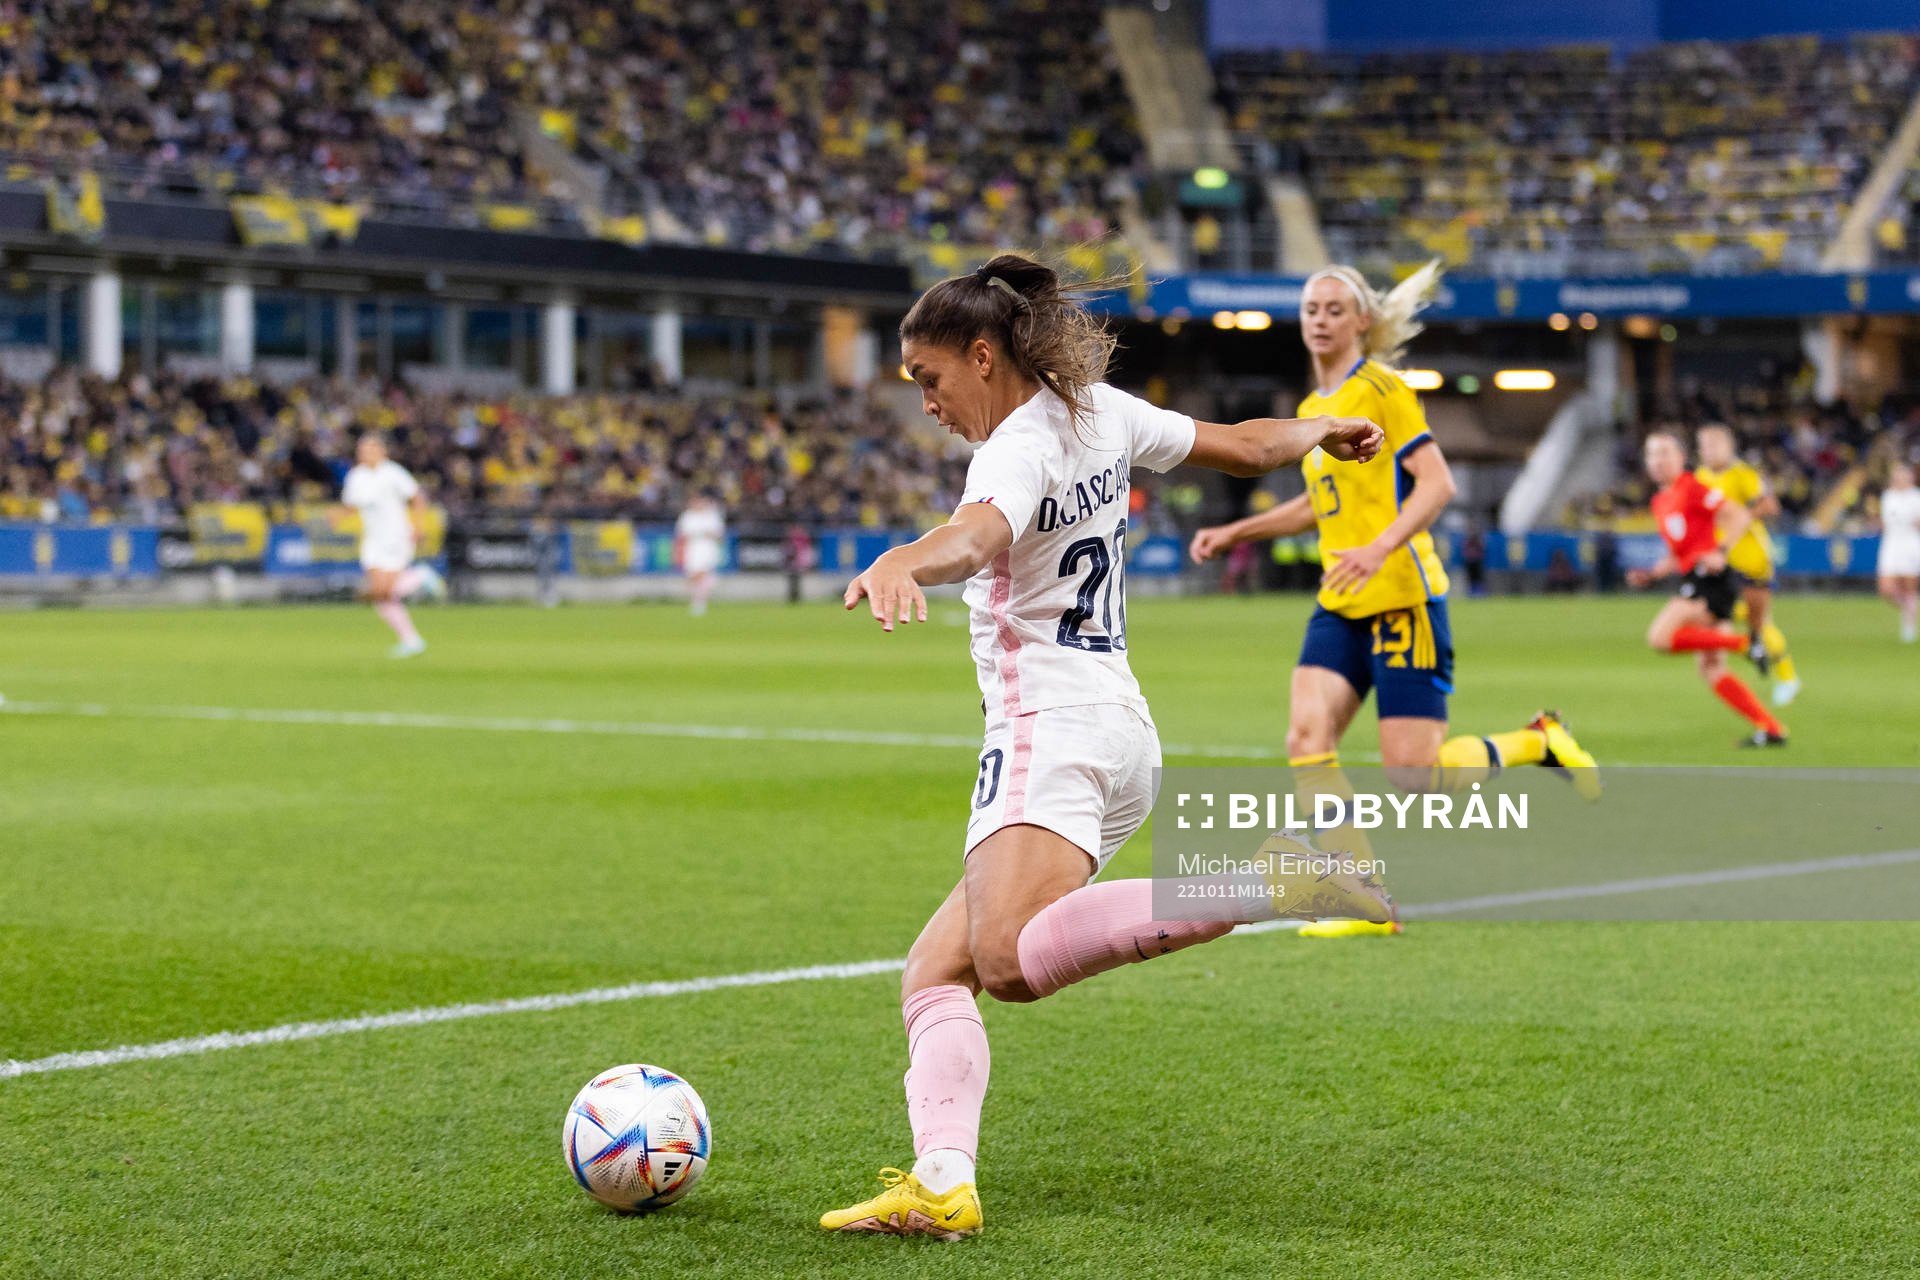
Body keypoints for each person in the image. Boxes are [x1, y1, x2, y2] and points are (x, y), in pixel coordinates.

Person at [820, 254, 1391, 1240]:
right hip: (1120, 733)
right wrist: (1323, 430)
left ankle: (1275, 878)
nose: (927, 402)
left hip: (1049, 728)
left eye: (929, 377)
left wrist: (902, 557)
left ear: (984, 355)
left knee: (1004, 958)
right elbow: (1246, 446)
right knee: (935, 971)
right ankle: (944, 1181)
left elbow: (975, 534)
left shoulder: (1013, 448)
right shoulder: (1099, 411)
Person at [1187, 261, 1600, 939]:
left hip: (1402, 596)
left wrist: (1379, 548)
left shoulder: (1382, 388)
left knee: (1414, 774)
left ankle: (1538, 741)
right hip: (1341, 599)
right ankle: (1363, 897)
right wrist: (1240, 530)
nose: (1320, 319)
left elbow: (1437, 484)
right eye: (1311, 309)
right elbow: (1318, 503)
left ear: (1362, 322)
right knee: (1306, 736)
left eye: (1334, 309)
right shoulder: (1314, 410)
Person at [1628, 430, 1786, 746]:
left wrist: (1721, 550)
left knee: (1660, 638)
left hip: (1709, 581)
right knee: (1711, 668)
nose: (1657, 460)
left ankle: (1744, 643)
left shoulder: (1692, 487)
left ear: (1681, 457)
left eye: (1664, 453)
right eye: (1652, 454)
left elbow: (1738, 515)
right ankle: (1770, 729)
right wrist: (1652, 574)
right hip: (1694, 577)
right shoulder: (1661, 501)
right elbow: (1678, 552)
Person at [1695, 423, 1800, 704]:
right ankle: (1752, 651)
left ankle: (1787, 676)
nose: (1708, 451)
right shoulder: (1700, 477)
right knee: (1712, 614)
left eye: (1714, 445)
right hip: (1721, 557)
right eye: (1703, 446)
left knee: (1757, 622)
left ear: (1729, 447)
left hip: (1752, 557)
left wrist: (1740, 517)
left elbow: (1769, 506)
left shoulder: (1743, 474)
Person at [338, 433, 443, 658]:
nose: (365, 453)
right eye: (362, 449)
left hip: (396, 537)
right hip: (372, 540)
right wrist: (338, 516)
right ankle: (411, 640)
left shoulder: (393, 473)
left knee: (384, 591)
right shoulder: (356, 477)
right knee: (380, 594)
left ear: (382, 451)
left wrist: (418, 526)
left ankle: (421, 576)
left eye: (370, 449)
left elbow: (417, 498)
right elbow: (352, 505)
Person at [1877, 461, 1920, 643]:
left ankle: (1908, 626)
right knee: (1886, 589)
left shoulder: (1916, 496)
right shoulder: (1888, 496)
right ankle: (1908, 609)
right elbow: (1885, 520)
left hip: (1910, 543)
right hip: (1891, 544)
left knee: (1909, 587)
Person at [674, 492, 726, 616]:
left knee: (703, 574)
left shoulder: (712, 515)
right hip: (692, 549)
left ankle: (700, 602)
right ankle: (700, 596)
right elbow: (682, 533)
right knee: (693, 577)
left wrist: (707, 534)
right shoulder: (687, 516)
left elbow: (719, 534)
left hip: (708, 549)